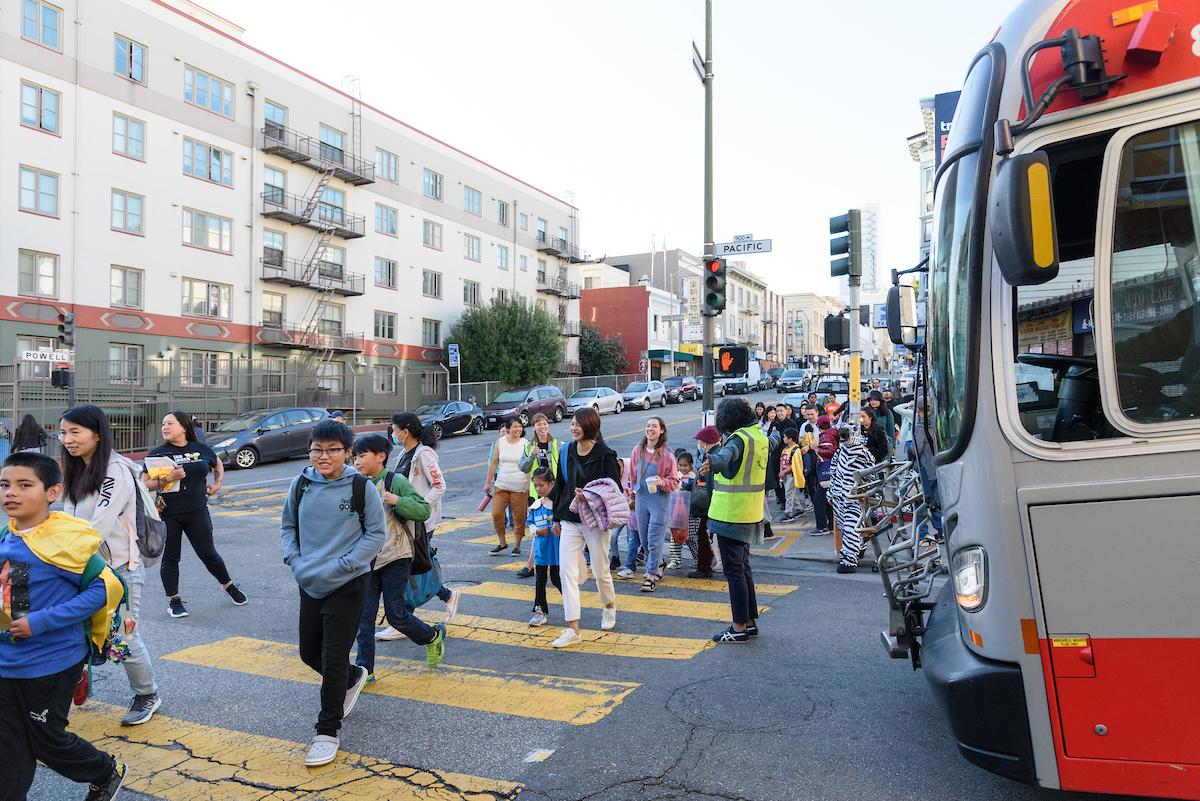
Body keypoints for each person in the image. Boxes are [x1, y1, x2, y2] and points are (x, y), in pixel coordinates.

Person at [0, 452, 129, 801]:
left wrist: (41, 622)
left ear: (52, 492)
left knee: (47, 738)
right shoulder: (5, 537)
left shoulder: (66, 539)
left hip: (53, 660)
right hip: (8, 660)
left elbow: (107, 588)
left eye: (25, 485)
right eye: (5, 485)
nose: (11, 493)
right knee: (9, 740)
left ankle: (106, 771)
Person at [280, 419, 387, 767]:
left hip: (347, 584)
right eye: (317, 449)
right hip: (309, 580)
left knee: (331, 655)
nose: (323, 456)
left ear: (346, 453)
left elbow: (375, 535)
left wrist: (343, 565)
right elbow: (288, 527)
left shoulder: (361, 487)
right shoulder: (301, 484)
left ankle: (327, 732)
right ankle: (354, 675)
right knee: (309, 652)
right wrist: (295, 561)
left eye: (333, 450)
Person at [60, 404, 160, 727]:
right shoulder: (78, 468)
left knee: (124, 636)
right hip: (85, 568)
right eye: (63, 432)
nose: (67, 439)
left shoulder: (115, 470)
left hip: (120, 570)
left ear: (98, 434)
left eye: (75, 432)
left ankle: (147, 694)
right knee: (76, 629)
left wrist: (58, 555)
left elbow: (95, 528)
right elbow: (68, 520)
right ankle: (76, 677)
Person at [350, 434, 444, 682]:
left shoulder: (395, 481)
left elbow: (423, 511)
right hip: (366, 562)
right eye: (354, 457)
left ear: (380, 457)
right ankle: (365, 671)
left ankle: (432, 636)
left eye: (362, 456)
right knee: (365, 618)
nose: (357, 462)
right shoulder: (355, 484)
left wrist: (397, 500)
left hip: (395, 557)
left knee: (396, 615)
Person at [143, 411, 244, 618]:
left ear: (184, 427)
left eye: (170, 423)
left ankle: (228, 585)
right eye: (163, 424)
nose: (165, 427)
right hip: (169, 514)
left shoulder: (200, 449)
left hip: (198, 512)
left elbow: (217, 463)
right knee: (171, 558)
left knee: (208, 553)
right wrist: (168, 477)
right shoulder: (158, 454)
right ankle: (174, 601)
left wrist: (217, 484)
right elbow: (144, 484)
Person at [377, 413, 459, 642]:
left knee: (409, 568)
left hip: (421, 521)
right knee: (416, 565)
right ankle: (446, 595)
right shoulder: (405, 453)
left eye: (394, 429)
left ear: (406, 431)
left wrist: (420, 505)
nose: (392, 434)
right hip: (407, 519)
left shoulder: (424, 454)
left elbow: (439, 485)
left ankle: (402, 620)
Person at [701, 398, 775, 643]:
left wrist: (713, 460)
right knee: (743, 569)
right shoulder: (758, 435)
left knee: (734, 571)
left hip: (731, 514)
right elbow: (774, 443)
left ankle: (738, 627)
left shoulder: (737, 439)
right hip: (751, 512)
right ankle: (749, 622)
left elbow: (725, 458)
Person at [549, 407, 619, 648]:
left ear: (591, 426)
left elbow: (613, 490)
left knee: (600, 570)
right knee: (566, 572)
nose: (573, 427)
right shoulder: (566, 450)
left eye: (578, 424)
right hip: (570, 519)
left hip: (595, 522)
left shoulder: (605, 455)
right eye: (572, 423)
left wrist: (588, 498)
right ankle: (573, 629)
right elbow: (559, 485)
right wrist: (556, 518)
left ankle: (608, 606)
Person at [623, 417, 680, 592]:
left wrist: (662, 482)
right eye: (648, 426)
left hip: (659, 502)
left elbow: (675, 481)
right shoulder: (637, 451)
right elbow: (633, 476)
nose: (650, 429)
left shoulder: (667, 455)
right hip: (641, 500)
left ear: (661, 430)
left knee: (654, 539)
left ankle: (650, 576)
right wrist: (632, 496)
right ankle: (659, 562)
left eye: (654, 426)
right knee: (645, 540)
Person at [516, 414, 561, 579]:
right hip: (537, 494)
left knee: (556, 528)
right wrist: (532, 456)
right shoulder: (529, 446)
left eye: (544, 423)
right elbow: (523, 467)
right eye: (538, 424)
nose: (542, 427)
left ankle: (551, 563)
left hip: (555, 492)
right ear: (534, 427)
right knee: (539, 529)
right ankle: (532, 565)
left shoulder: (557, 444)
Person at [829, 425, 877, 574]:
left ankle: (849, 560)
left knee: (851, 527)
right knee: (844, 527)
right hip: (838, 495)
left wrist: (866, 492)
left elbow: (871, 476)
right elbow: (833, 472)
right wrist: (831, 492)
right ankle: (858, 547)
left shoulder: (864, 454)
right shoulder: (839, 453)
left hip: (856, 498)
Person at [484, 417, 531, 556]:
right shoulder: (500, 442)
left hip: (519, 486)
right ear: (508, 428)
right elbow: (493, 463)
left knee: (519, 517)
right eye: (515, 427)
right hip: (501, 485)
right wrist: (488, 483)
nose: (518, 429)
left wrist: (529, 486)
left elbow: (528, 466)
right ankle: (502, 543)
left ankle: (517, 546)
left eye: (520, 426)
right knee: (496, 514)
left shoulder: (525, 443)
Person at [688, 426, 722, 578]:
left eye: (700, 441)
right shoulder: (715, 455)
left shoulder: (712, 458)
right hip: (712, 504)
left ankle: (704, 568)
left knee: (703, 536)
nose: (699, 444)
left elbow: (706, 482)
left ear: (707, 442)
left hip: (709, 505)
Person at [527, 468, 559, 627]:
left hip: (557, 551)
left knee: (556, 578)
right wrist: (536, 531)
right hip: (541, 550)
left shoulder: (557, 504)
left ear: (551, 484)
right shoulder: (535, 505)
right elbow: (530, 523)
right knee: (540, 580)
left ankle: (571, 602)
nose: (538, 489)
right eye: (536, 486)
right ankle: (539, 611)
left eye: (541, 485)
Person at [665, 450, 696, 570]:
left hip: (690, 513)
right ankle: (675, 560)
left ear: (691, 465)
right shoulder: (675, 477)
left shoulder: (694, 477)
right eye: (680, 465)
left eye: (685, 465)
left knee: (692, 537)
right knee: (675, 535)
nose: (683, 468)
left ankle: (697, 558)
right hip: (677, 512)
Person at [778, 428, 805, 522]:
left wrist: (784, 472)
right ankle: (799, 509)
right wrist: (781, 471)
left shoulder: (796, 450)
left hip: (792, 475)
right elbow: (781, 461)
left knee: (788, 494)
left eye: (785, 437)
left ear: (790, 439)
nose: (783, 438)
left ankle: (788, 513)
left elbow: (794, 465)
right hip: (786, 475)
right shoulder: (785, 449)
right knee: (790, 493)